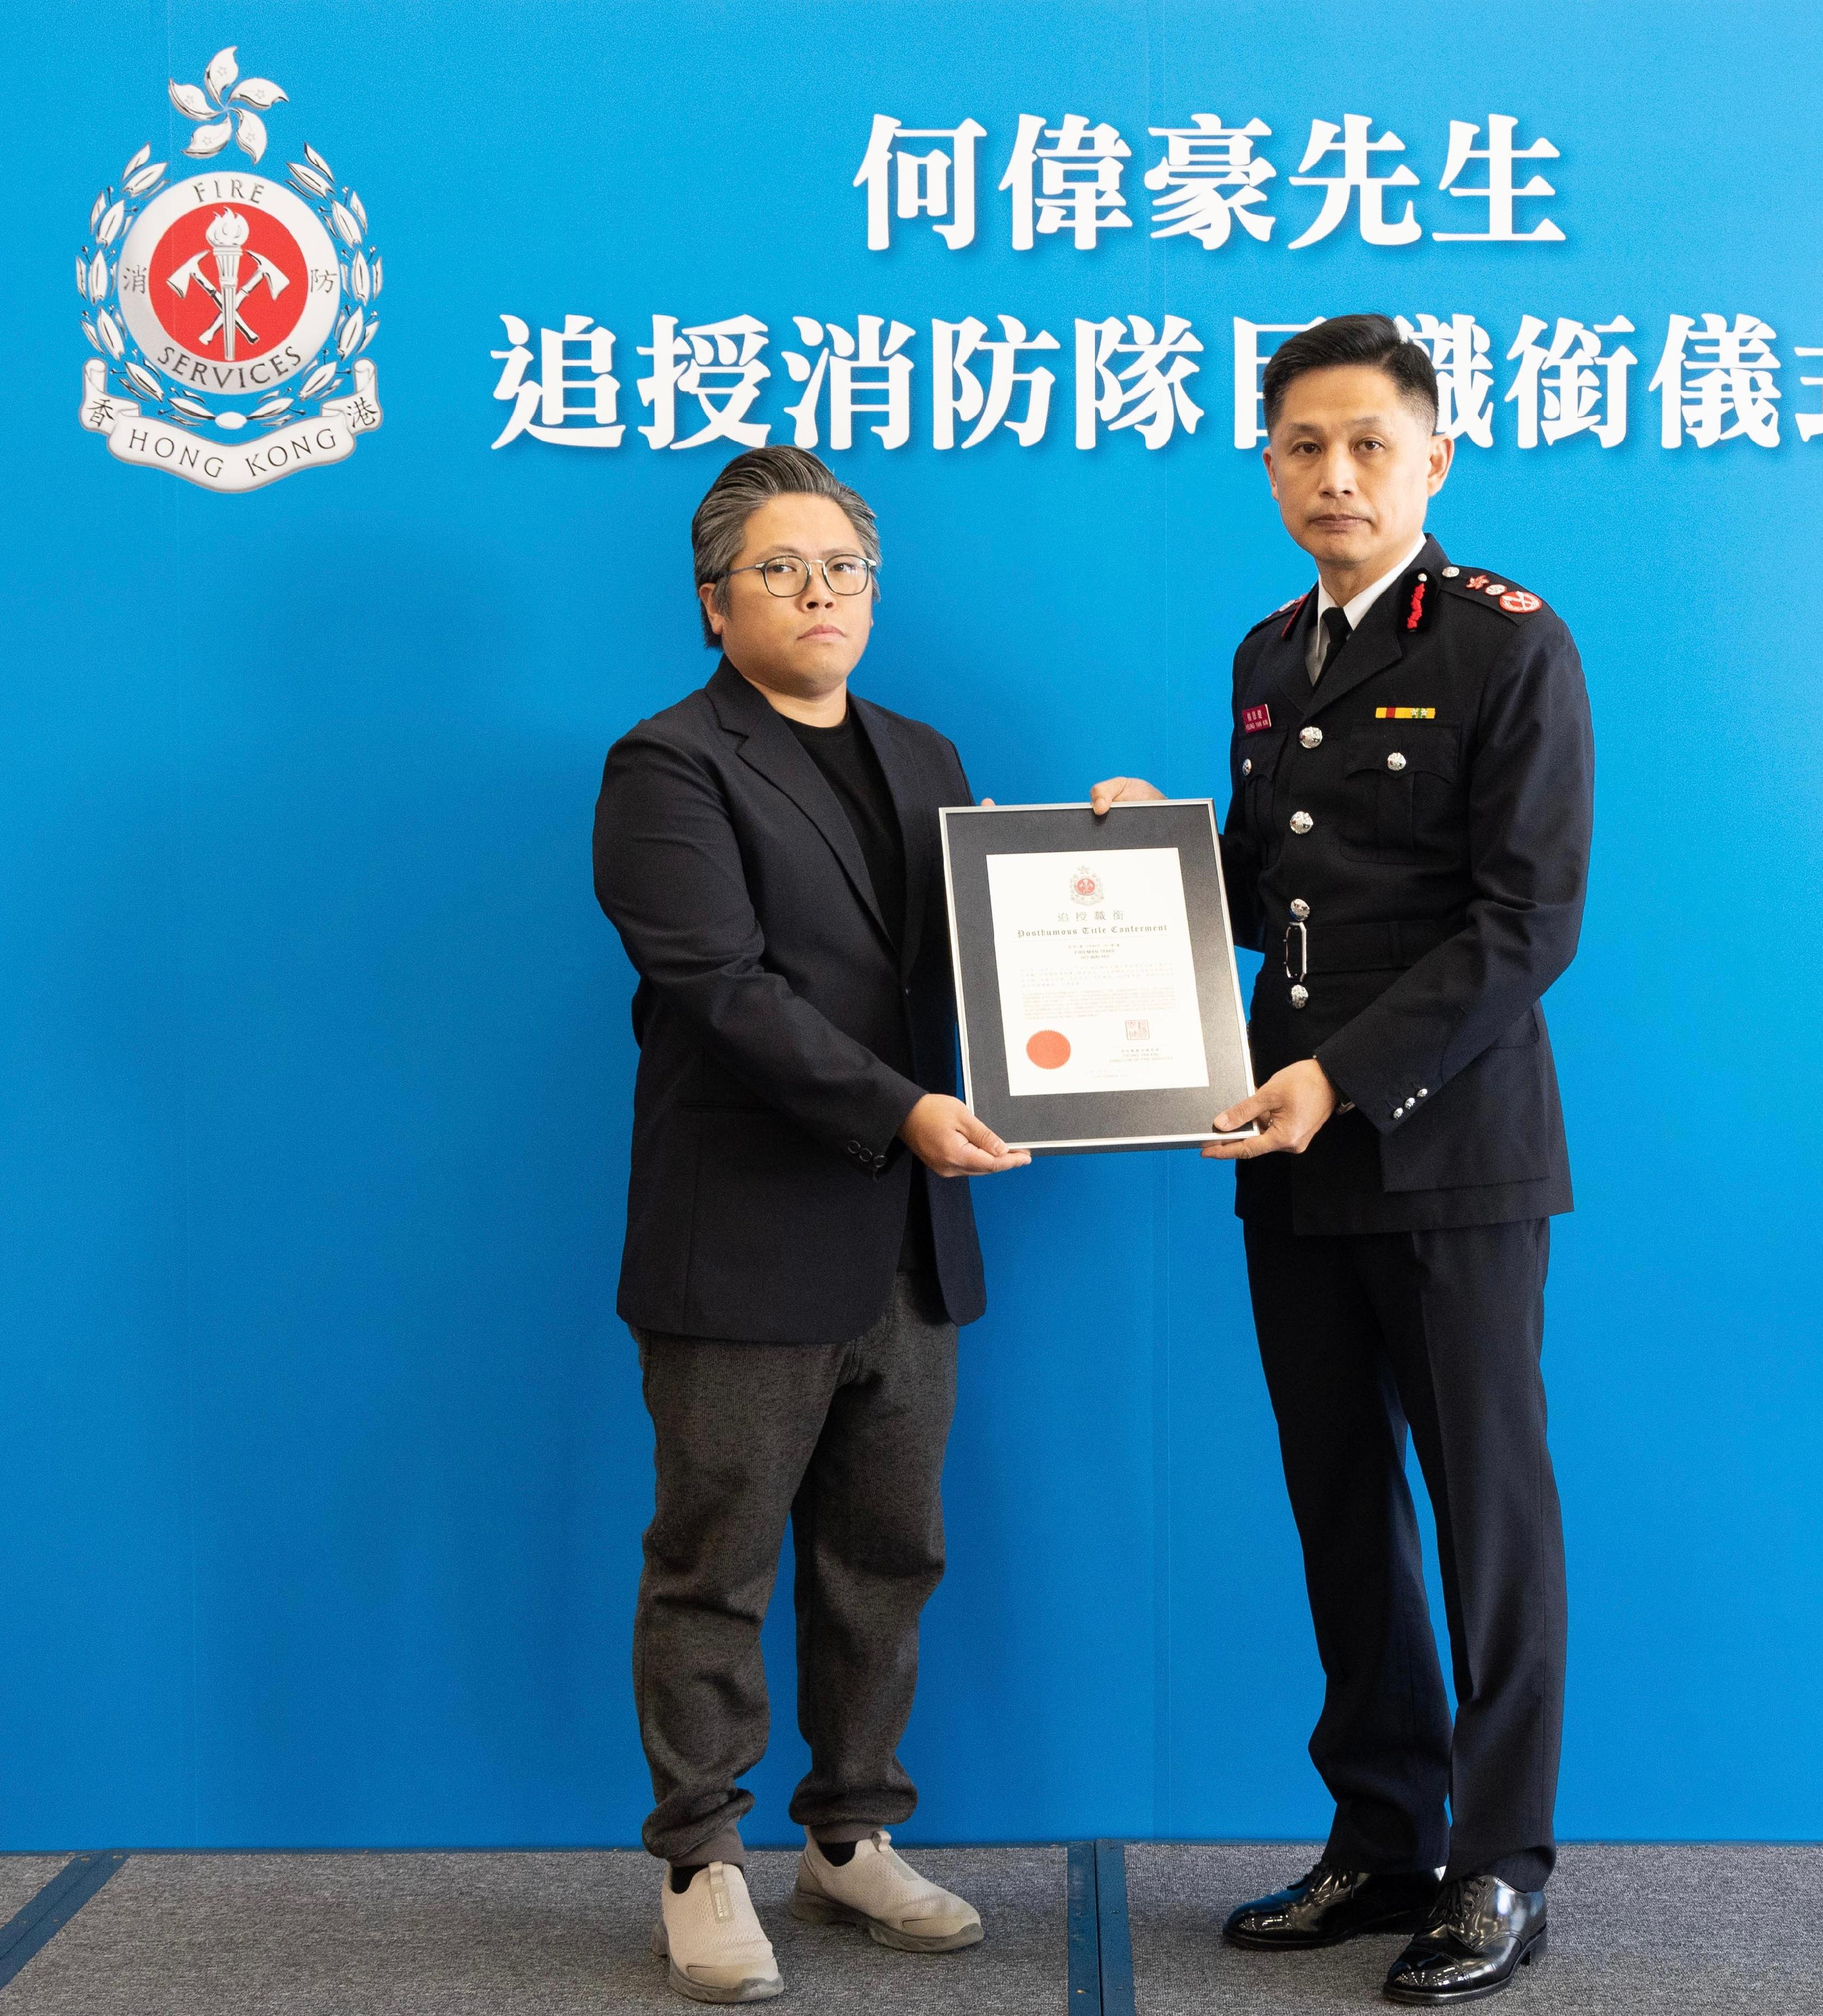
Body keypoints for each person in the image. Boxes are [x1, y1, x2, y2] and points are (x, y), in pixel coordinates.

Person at [1090, 315, 1593, 2006]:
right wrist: (1139, 857)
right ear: (1269, 466)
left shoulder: (1512, 645)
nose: (1337, 475)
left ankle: (1499, 1869)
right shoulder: (1266, 652)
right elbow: (1264, 888)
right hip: (1287, 1157)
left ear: (1436, 458)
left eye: (1371, 443)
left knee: (1488, 1518)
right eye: (1303, 446)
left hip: (1447, 1154)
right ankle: (1382, 1836)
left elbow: (1525, 926)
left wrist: (1336, 1081)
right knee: (1339, 1510)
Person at [593, 445, 1028, 2005]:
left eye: (843, 567)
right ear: (716, 603)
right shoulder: (669, 765)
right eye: (783, 570)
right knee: (715, 1562)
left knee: (884, 1556)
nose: (820, 594)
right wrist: (903, 1109)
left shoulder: (929, 754)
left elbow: (994, 966)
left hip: (910, 1244)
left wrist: (1110, 875)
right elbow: (724, 994)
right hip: (748, 1244)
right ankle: (702, 1857)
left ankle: (850, 1835)